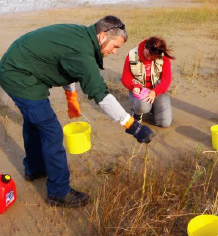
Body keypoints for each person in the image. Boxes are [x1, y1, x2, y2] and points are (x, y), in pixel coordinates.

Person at [0, 16, 154, 208]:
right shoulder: (82, 51)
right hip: (18, 75)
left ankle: (35, 168)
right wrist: (133, 126)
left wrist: (71, 96)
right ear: (102, 36)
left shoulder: (82, 36)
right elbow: (101, 95)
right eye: (114, 46)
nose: (114, 52)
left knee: (34, 121)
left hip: (20, 66)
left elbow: (67, 64)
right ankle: (58, 191)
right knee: (51, 130)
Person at [121, 37, 175, 128]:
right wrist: (135, 86)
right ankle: (137, 113)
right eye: (148, 54)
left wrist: (155, 92)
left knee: (165, 123)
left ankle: (154, 108)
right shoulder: (132, 55)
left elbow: (167, 79)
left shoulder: (163, 56)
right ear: (146, 47)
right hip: (140, 89)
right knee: (143, 106)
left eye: (153, 57)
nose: (149, 58)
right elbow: (125, 78)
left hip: (157, 89)